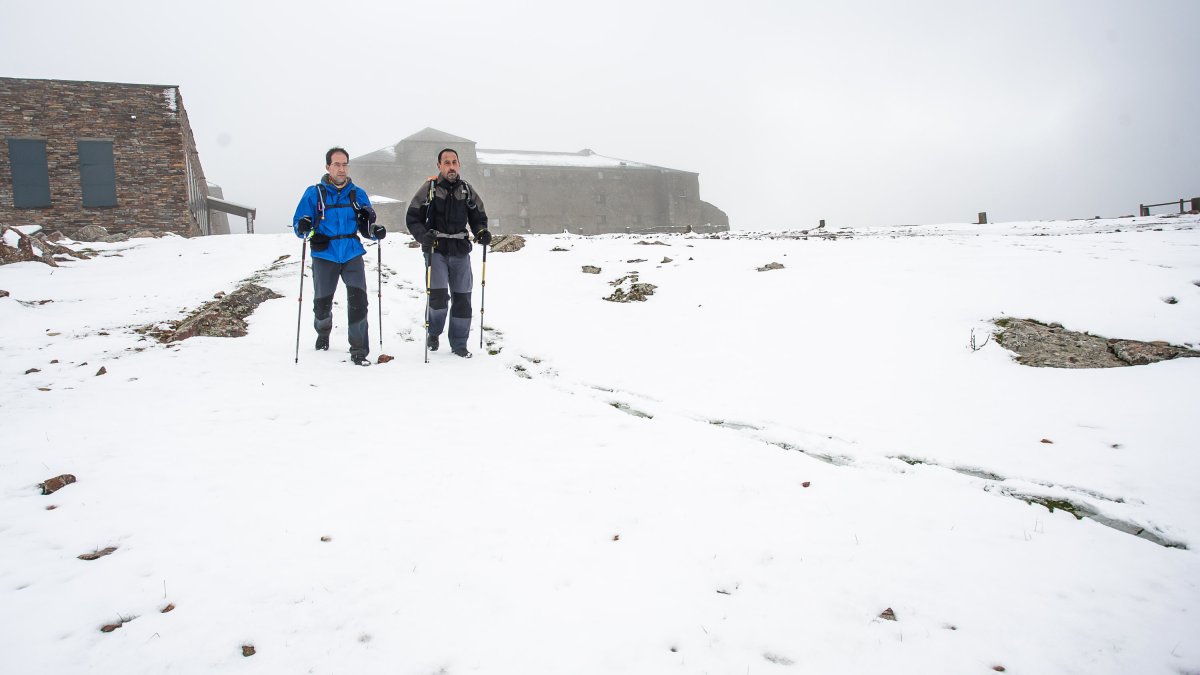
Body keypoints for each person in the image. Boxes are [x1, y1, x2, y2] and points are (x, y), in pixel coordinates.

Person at [292, 147, 386, 366]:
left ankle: (359, 351)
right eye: (337, 164)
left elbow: (366, 226)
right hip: (325, 254)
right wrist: (305, 226)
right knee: (322, 305)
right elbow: (300, 225)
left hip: (352, 253)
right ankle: (323, 331)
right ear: (328, 167)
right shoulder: (314, 193)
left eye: (345, 164)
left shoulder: (358, 194)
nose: (341, 169)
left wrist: (375, 231)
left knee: (359, 301)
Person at [406, 148, 491, 358]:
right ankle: (434, 333)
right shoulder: (430, 188)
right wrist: (422, 235)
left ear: (459, 165)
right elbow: (412, 217)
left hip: (460, 250)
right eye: (446, 162)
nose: (451, 166)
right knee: (438, 298)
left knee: (463, 299)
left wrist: (481, 231)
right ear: (439, 166)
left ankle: (459, 343)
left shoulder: (467, 190)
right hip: (436, 249)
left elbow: (478, 216)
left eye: (454, 162)